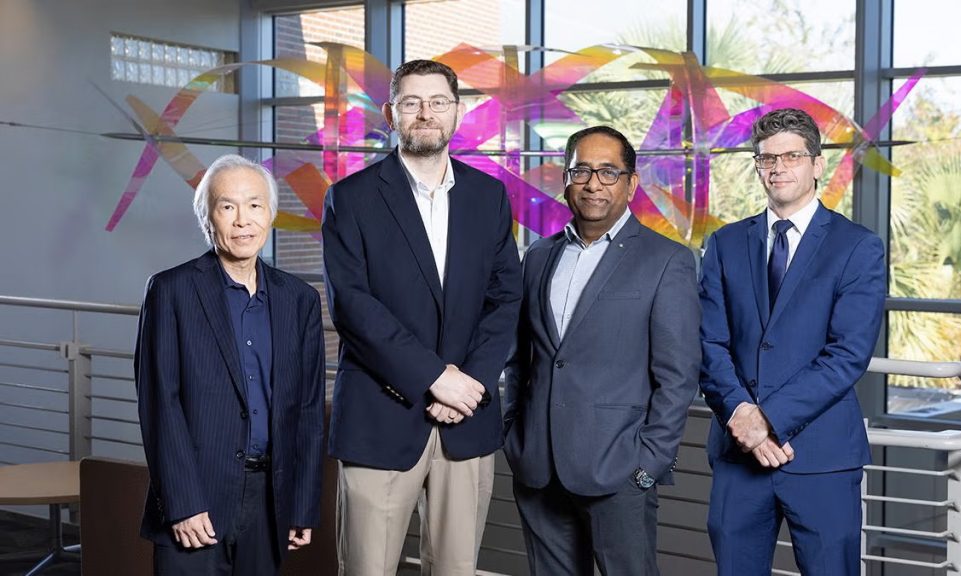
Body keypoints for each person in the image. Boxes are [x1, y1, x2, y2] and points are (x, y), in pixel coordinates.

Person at [321, 59, 522, 575]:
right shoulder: (350, 199)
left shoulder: (489, 197)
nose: (425, 113)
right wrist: (436, 379)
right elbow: (353, 306)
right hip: (380, 418)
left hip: (467, 422)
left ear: (457, 113)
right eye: (411, 102)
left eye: (438, 102)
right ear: (391, 113)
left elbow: (505, 299)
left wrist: (469, 383)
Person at [503, 125, 701, 575]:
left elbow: (678, 374)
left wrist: (648, 464)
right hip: (538, 466)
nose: (594, 183)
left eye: (609, 172)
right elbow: (520, 360)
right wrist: (515, 433)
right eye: (582, 170)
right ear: (566, 180)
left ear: (631, 183)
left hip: (620, 471)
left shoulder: (666, 260)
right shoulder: (537, 256)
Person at [699, 108, 886, 575]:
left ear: (817, 165)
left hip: (820, 458)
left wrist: (767, 419)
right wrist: (742, 413)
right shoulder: (724, 244)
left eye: (791, 156)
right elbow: (708, 342)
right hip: (738, 454)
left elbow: (846, 356)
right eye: (766, 159)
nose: (778, 167)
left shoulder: (857, 247)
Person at [135, 154, 325, 575]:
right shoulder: (172, 292)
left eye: (255, 205)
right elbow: (159, 405)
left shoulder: (300, 301)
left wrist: (303, 503)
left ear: (271, 214)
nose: (243, 220)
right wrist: (183, 503)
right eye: (228, 206)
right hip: (197, 499)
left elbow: (308, 411)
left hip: (270, 499)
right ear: (208, 218)